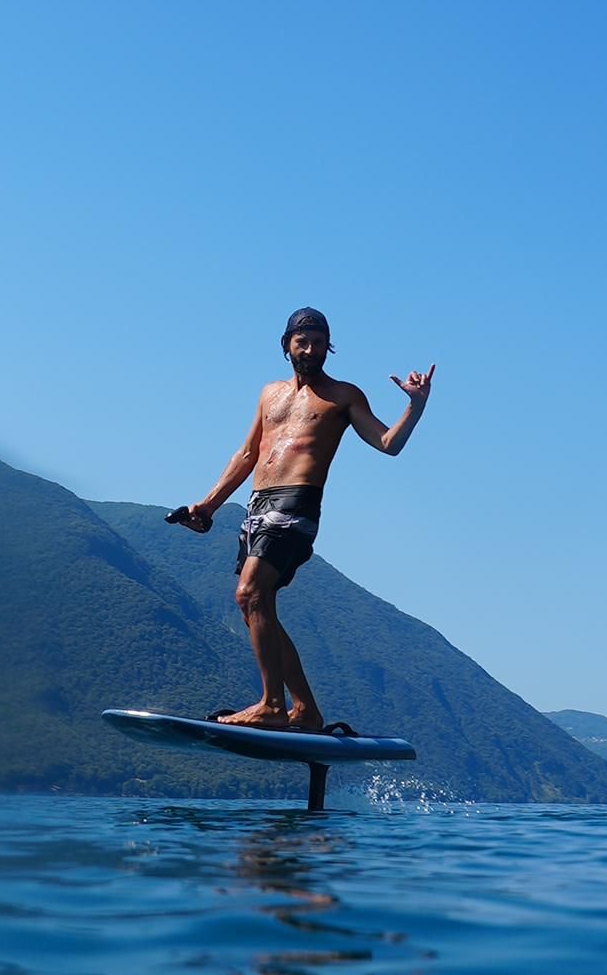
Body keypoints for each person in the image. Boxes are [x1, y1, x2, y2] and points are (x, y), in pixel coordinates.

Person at [170, 308, 433, 731]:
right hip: (257, 506)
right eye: (302, 342)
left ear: (329, 348)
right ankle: (305, 710)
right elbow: (248, 454)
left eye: (319, 343)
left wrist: (415, 407)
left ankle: (271, 704)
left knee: (250, 593)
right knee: (254, 606)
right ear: (287, 345)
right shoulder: (269, 394)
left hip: (296, 504)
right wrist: (208, 506)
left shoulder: (343, 396)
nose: (311, 350)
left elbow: (388, 443)